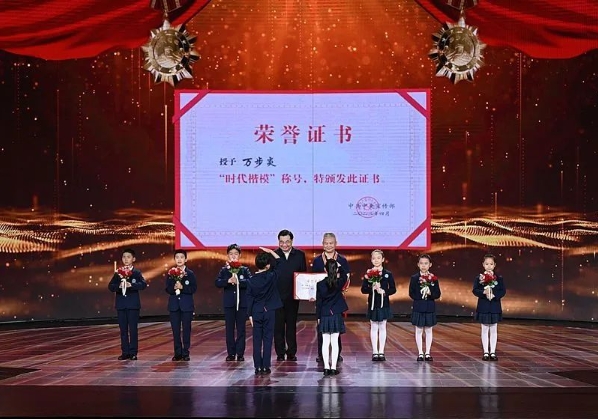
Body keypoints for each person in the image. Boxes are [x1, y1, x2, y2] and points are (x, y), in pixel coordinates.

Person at [311, 232, 350, 364]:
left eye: (331, 243)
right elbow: (312, 280)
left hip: (336, 298)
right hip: (323, 300)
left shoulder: (342, 260)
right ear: (322, 244)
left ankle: (337, 354)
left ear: (336, 244)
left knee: (336, 329)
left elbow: (346, 278)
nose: (328, 245)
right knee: (321, 328)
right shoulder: (317, 260)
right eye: (326, 243)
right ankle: (321, 355)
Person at [247, 247, 284, 375]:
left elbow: (249, 298)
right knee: (268, 339)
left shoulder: (251, 280)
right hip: (269, 311)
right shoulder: (271, 276)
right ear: (268, 265)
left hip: (256, 312)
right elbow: (280, 262)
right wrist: (271, 252)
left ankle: (258, 366)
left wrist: (250, 314)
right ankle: (266, 366)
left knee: (257, 340)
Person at [108, 248, 148, 361]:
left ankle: (133, 352)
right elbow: (110, 286)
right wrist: (118, 286)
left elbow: (143, 284)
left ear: (133, 259)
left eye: (128, 257)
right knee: (123, 330)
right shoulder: (118, 273)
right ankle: (125, 352)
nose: (126, 259)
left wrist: (132, 285)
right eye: (124, 257)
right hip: (121, 305)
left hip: (133, 305)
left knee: (133, 330)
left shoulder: (136, 273)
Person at [273, 229, 307, 362]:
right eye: (281, 242)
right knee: (278, 327)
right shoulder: (273, 255)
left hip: (293, 297)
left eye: (287, 241)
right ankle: (280, 353)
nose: (284, 244)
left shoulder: (300, 255)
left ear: (292, 241)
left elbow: (303, 276)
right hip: (277, 298)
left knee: (291, 326)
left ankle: (291, 352)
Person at [215, 243, 252, 362]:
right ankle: (231, 353)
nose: (233, 256)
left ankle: (240, 353)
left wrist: (239, 282)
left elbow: (250, 282)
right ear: (227, 256)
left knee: (241, 329)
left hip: (242, 304)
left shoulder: (244, 269)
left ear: (240, 255)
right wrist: (227, 281)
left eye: (236, 254)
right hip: (229, 304)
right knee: (229, 329)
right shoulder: (224, 270)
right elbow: (217, 282)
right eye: (231, 254)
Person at [360, 249, 396, 362]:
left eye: (378, 258)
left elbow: (393, 289)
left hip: (384, 303)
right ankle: (375, 352)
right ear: (371, 260)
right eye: (374, 258)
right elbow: (363, 289)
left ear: (383, 259)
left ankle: (381, 351)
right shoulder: (368, 274)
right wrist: (372, 288)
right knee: (374, 326)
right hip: (373, 303)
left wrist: (384, 291)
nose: (376, 260)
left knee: (383, 326)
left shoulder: (387, 274)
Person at [317, 258, 349, 377]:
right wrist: (339, 266)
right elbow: (345, 275)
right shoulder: (339, 282)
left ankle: (326, 367)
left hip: (325, 314)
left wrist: (318, 317)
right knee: (334, 342)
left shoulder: (320, 284)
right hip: (335, 314)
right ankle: (334, 367)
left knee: (325, 342)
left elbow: (319, 303)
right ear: (336, 270)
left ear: (325, 270)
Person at [472, 253, 507, 361]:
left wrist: (495, 295)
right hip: (484, 306)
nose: (489, 266)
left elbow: (503, 291)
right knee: (484, 329)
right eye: (486, 264)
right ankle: (486, 352)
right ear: (483, 264)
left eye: (491, 264)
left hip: (494, 306)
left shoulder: (499, 278)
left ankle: (493, 352)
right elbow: (475, 290)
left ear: (494, 265)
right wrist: (483, 292)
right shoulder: (479, 278)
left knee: (493, 329)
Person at [165, 249, 197, 361]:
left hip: (186, 306)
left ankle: (186, 352)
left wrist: (183, 287)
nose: (179, 259)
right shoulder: (170, 273)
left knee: (186, 329)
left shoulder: (190, 274)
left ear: (186, 259)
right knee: (176, 330)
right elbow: (167, 289)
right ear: (174, 259)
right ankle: (177, 353)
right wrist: (173, 288)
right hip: (174, 306)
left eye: (182, 257)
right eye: (177, 257)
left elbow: (193, 288)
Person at [408, 254, 441, 362]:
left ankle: (427, 353)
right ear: (418, 264)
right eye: (421, 263)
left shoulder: (434, 278)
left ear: (430, 265)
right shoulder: (414, 278)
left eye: (426, 263)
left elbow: (437, 294)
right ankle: (420, 353)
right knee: (418, 330)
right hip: (418, 307)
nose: (423, 265)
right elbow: (411, 293)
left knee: (428, 330)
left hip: (429, 307)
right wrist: (421, 295)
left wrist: (430, 293)